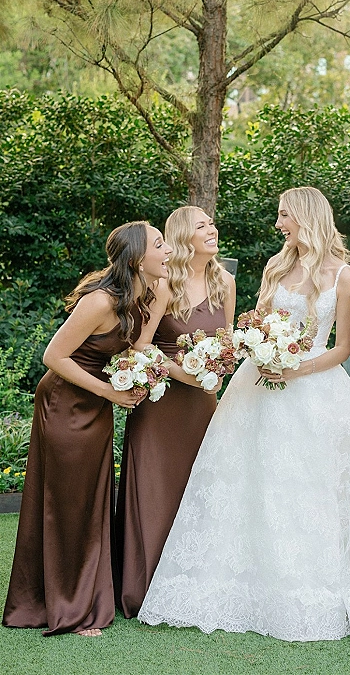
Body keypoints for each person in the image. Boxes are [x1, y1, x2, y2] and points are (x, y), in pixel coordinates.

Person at [138, 187, 350, 648]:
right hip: (260, 383)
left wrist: (297, 369)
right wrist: (261, 350)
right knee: (254, 481)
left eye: (284, 216)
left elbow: (342, 349)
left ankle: (309, 586)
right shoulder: (275, 266)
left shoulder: (344, 275)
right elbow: (257, 324)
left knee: (312, 485)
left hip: (317, 391)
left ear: (306, 217)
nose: (278, 225)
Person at [2, 221, 172, 637]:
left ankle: (81, 595)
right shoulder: (99, 301)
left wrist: (143, 376)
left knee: (90, 502)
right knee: (68, 504)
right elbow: (53, 356)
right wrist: (109, 391)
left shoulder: (144, 294)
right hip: (65, 404)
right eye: (160, 244)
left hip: (96, 406)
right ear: (137, 259)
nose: (168, 249)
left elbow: (135, 349)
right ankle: (68, 609)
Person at [115, 206, 236, 618]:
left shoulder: (225, 282)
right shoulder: (164, 285)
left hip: (203, 404)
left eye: (212, 223)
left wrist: (218, 372)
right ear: (184, 236)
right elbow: (140, 345)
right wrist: (187, 374)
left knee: (197, 490)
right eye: (202, 226)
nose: (212, 229)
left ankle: (191, 585)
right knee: (157, 489)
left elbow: (227, 341)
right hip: (163, 402)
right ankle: (145, 587)